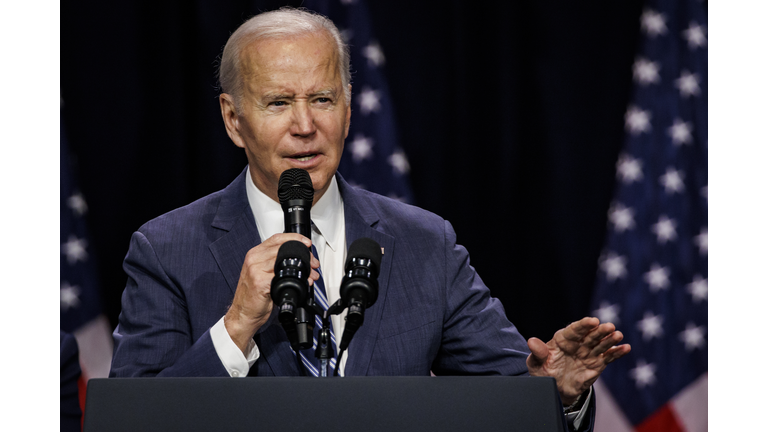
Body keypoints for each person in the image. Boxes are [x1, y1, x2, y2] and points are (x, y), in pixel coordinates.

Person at [110, 7, 630, 431]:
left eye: (322, 99)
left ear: (348, 109)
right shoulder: (167, 249)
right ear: (233, 119)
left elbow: (512, 402)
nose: (305, 125)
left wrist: (556, 392)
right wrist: (236, 327)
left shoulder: (424, 242)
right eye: (278, 103)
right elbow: (134, 421)